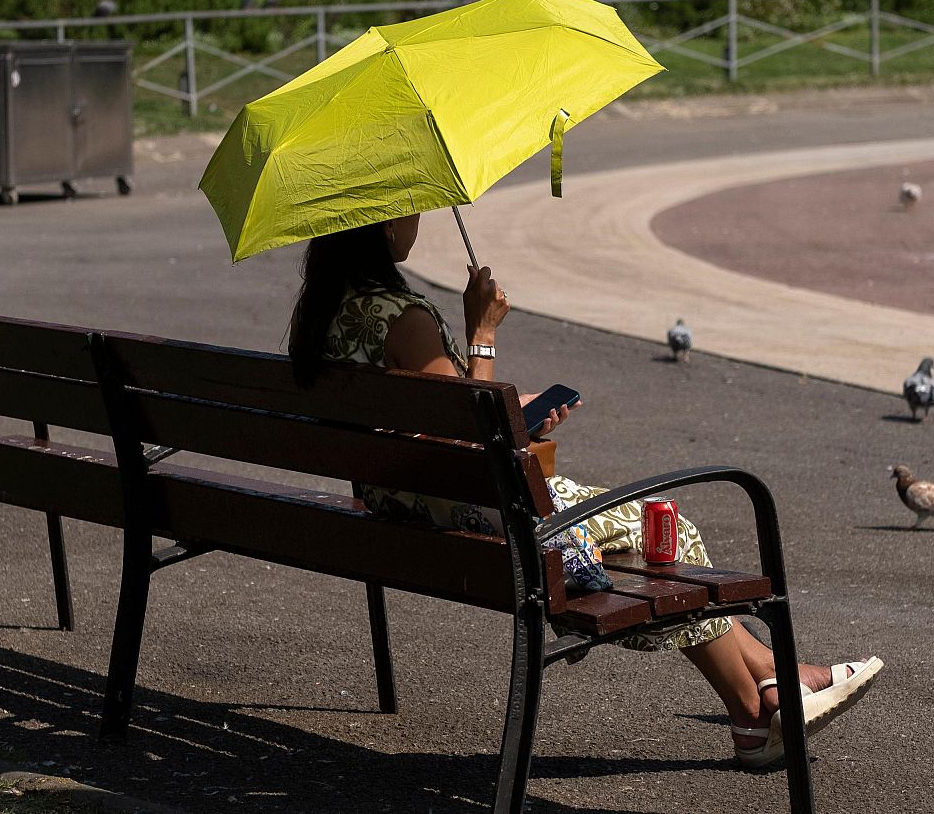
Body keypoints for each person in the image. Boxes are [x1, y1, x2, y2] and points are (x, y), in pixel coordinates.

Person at [288, 213, 882, 767]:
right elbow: (467, 440)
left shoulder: (326, 312)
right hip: (478, 511)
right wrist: (483, 333)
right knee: (662, 532)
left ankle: (775, 688)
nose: (418, 221)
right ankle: (760, 705)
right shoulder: (403, 317)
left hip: (402, 503)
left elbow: (429, 418)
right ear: (383, 222)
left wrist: (513, 415)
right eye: (412, 209)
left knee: (640, 543)